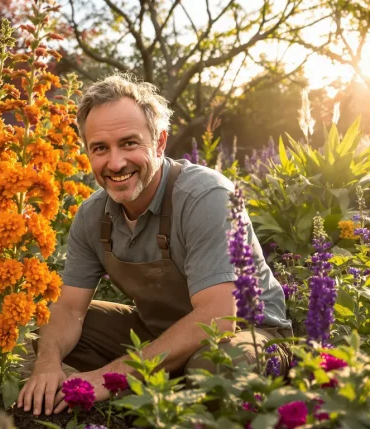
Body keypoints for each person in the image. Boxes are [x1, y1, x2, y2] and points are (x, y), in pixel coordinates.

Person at [16, 72, 293, 416]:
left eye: (129, 143)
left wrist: (109, 376)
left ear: (160, 142)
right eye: (100, 148)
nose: (115, 163)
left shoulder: (205, 196)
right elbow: (70, 309)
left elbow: (219, 317)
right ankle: (112, 402)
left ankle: (165, 401)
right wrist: (47, 363)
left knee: (216, 367)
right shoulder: (91, 216)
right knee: (41, 329)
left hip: (246, 333)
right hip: (156, 332)